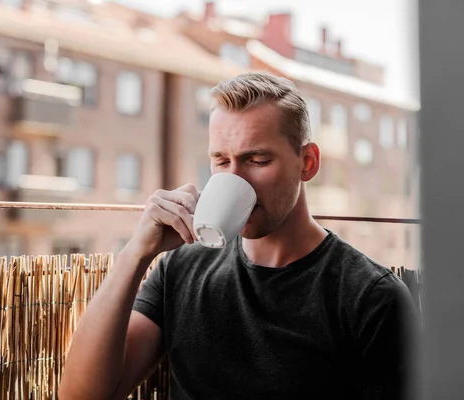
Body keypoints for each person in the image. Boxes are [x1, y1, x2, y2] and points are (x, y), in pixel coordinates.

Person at [59, 72, 419, 400]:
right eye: (221, 161)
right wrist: (135, 254)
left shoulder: (369, 297)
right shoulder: (180, 269)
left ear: (307, 162)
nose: (235, 179)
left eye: (257, 160)